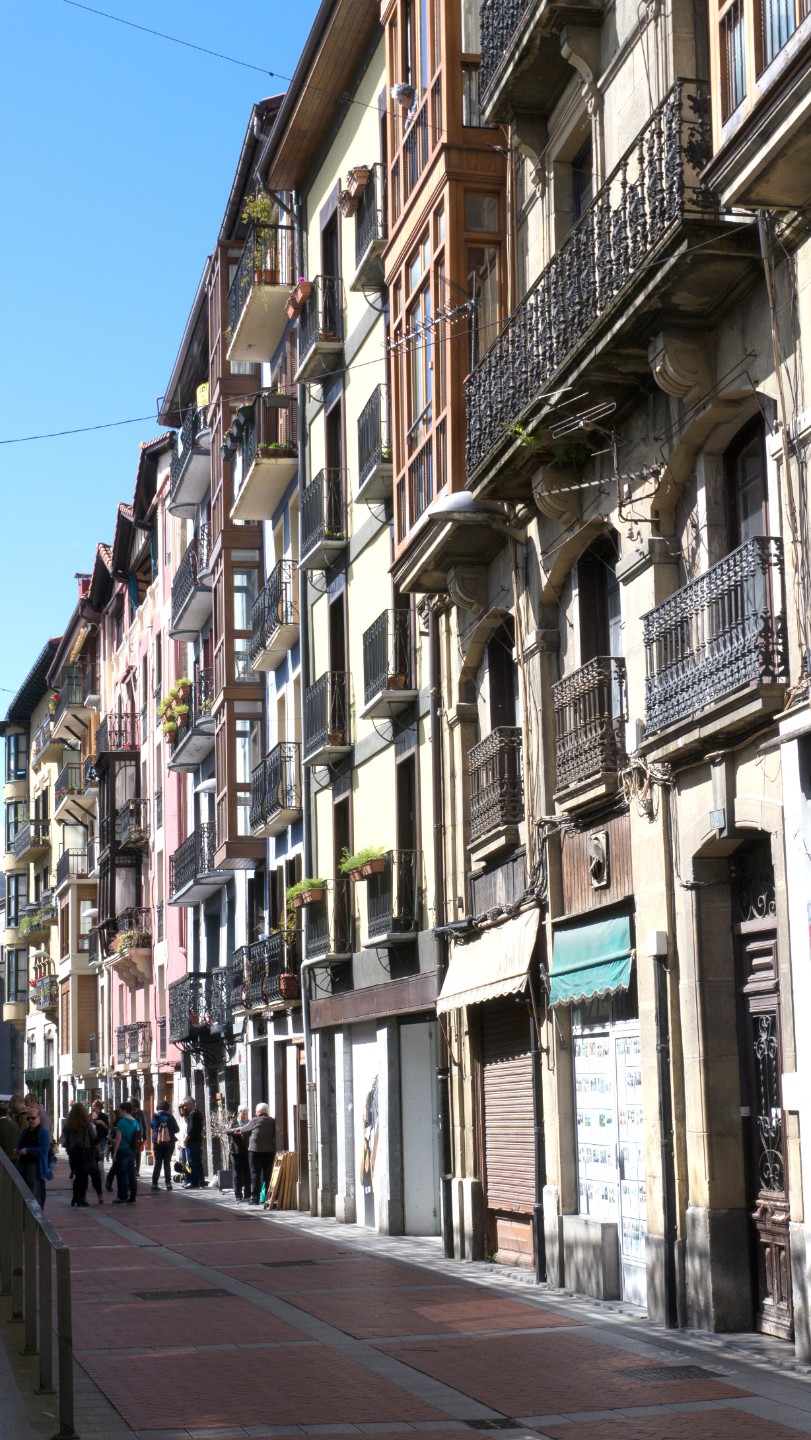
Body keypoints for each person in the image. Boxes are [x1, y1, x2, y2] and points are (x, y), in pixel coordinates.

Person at [60, 1103, 97, 1207]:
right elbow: (94, 1135)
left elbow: (63, 1136)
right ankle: (82, 1197)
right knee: (84, 1175)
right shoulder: (87, 1123)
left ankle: (75, 1197)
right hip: (85, 1151)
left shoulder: (69, 1123)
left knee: (77, 1175)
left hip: (73, 1152)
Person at [241, 1103, 276, 1206]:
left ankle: (255, 1198)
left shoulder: (254, 1120)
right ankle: (268, 1198)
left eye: (256, 1111)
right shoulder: (272, 1121)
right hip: (269, 1151)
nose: (255, 1113)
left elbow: (244, 1129)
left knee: (255, 1174)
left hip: (255, 1151)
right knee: (267, 1174)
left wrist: (232, 1130)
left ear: (259, 1112)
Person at [15, 1108, 51, 1207]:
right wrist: (17, 1149)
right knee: (25, 1193)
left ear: (39, 1118)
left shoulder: (43, 1132)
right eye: (28, 1118)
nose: (30, 1120)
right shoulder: (25, 1132)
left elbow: (43, 1150)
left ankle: (37, 1213)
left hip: (36, 1166)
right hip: (23, 1165)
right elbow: (19, 1143)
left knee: (36, 1193)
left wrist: (27, 1150)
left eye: (33, 1118)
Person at [111, 1100, 140, 1205]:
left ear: (124, 1110)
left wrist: (115, 1152)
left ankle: (122, 1197)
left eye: (120, 1110)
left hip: (123, 1150)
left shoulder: (122, 1122)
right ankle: (133, 1196)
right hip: (133, 1150)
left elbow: (118, 1139)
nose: (119, 1111)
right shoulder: (135, 1122)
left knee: (122, 1174)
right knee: (132, 1174)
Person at [150, 1098, 179, 1192]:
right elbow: (177, 1129)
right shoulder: (170, 1117)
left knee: (157, 1163)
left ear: (158, 1107)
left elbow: (152, 1127)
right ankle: (168, 1183)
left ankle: (154, 1184)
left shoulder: (155, 1117)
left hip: (157, 1143)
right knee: (167, 1163)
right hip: (169, 1143)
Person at [180, 1097, 205, 1190]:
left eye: (185, 1105)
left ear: (190, 1104)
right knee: (197, 1161)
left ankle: (195, 1182)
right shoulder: (197, 1113)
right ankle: (200, 1181)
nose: (184, 1107)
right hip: (197, 1140)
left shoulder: (193, 1114)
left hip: (192, 1141)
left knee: (192, 1162)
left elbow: (191, 1129)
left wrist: (186, 1139)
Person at [227, 1107, 251, 1203]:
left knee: (247, 1173)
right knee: (237, 1174)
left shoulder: (249, 1122)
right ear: (238, 1113)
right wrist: (236, 1130)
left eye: (246, 1114)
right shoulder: (233, 1122)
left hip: (247, 1150)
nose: (244, 1116)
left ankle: (248, 1195)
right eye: (243, 1114)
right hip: (235, 1151)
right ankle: (238, 1195)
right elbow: (228, 1131)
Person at [129, 1094, 147, 1174]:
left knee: (138, 1153)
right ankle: (132, 1168)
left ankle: (137, 1170)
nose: (134, 1109)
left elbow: (144, 1125)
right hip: (130, 1135)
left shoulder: (140, 1113)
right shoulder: (129, 1113)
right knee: (132, 1152)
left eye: (134, 1106)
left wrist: (145, 1138)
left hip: (138, 1135)